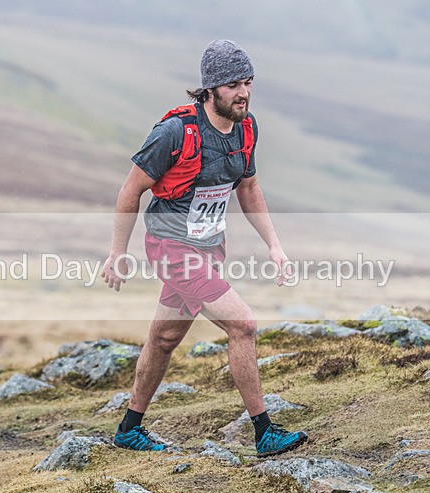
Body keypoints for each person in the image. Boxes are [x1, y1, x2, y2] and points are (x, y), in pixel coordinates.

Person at [102, 40, 307, 457]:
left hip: (209, 248)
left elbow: (248, 187)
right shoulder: (174, 133)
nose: (244, 92)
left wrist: (275, 246)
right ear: (210, 88)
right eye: (233, 84)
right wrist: (117, 252)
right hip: (171, 247)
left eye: (248, 82)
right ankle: (264, 432)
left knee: (164, 338)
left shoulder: (247, 129)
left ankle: (128, 428)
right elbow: (130, 191)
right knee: (243, 325)